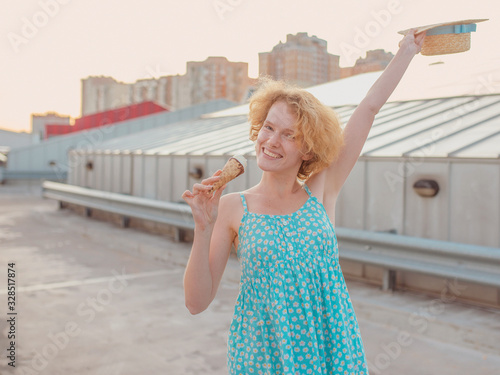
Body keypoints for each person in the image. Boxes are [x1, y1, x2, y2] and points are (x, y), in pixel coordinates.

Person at [182, 30, 425, 375]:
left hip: (333, 350)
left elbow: (369, 109)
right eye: (268, 128)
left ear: (308, 148)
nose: (271, 141)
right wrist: (202, 228)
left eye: (289, 134)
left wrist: (407, 50)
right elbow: (196, 303)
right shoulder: (234, 207)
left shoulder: (322, 190)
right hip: (264, 358)